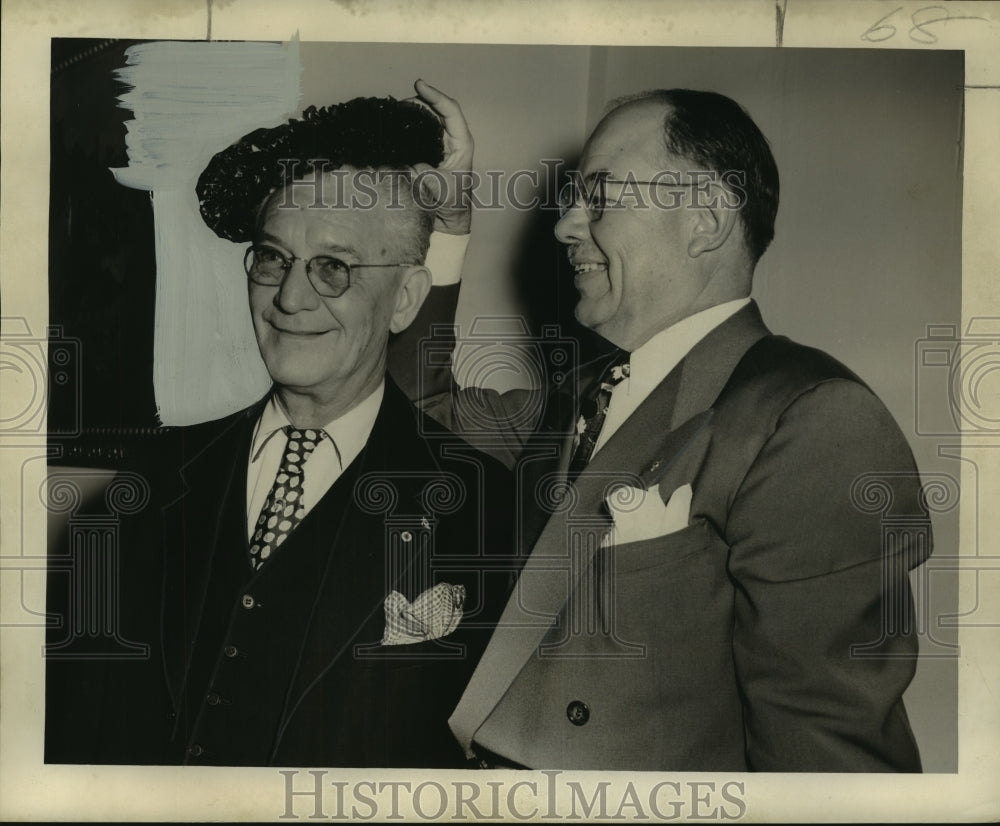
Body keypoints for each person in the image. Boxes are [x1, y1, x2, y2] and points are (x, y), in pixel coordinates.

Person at [422, 87, 931, 771]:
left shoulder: (812, 419)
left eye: (599, 196)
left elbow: (829, 762)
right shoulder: (581, 397)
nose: (566, 226)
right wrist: (447, 227)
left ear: (706, 221)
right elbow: (418, 420)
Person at [44, 93, 511, 767]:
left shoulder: (484, 511)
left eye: (333, 267)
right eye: (272, 258)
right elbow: (81, 730)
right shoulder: (147, 483)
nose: (290, 299)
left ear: (407, 296)